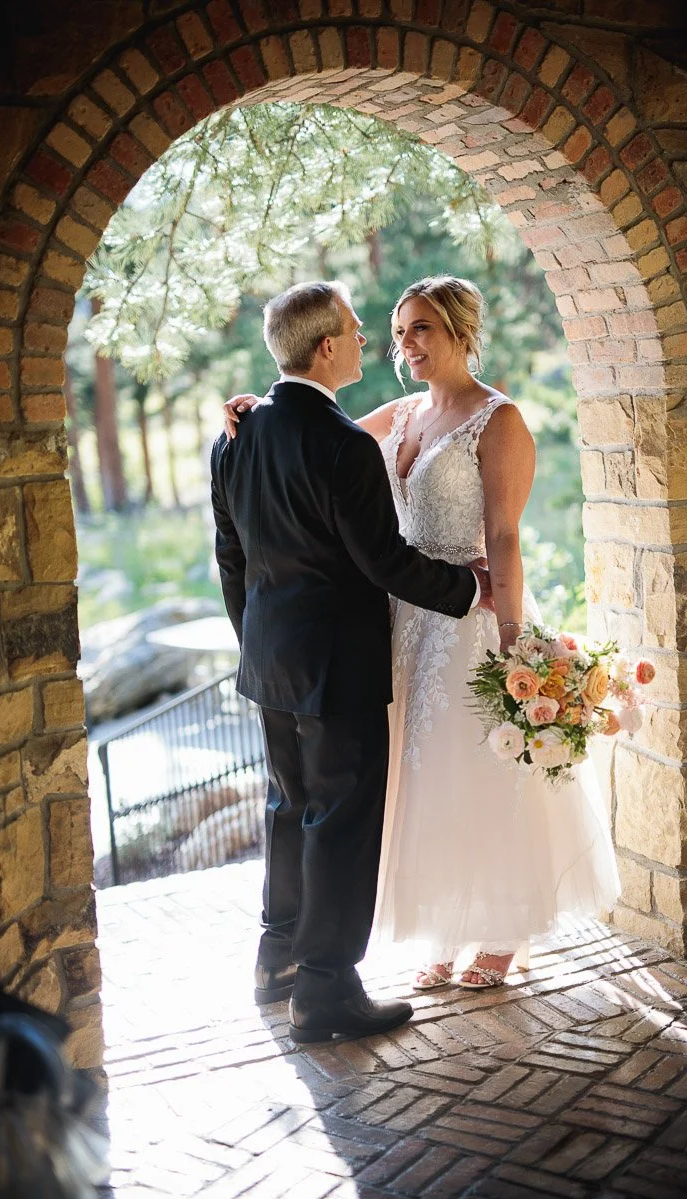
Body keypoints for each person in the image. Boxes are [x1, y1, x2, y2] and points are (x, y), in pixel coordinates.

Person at [224, 275, 620, 994]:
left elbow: (502, 534)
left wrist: (510, 634)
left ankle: (499, 930)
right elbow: (309, 427)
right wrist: (256, 406)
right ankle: (445, 924)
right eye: (397, 329)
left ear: (461, 331)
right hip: (398, 621)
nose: (402, 345)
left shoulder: (498, 421)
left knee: (477, 775)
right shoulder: (402, 413)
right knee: (416, 781)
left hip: (467, 618)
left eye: (420, 330)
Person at [210, 280, 492, 1044]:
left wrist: (259, 640)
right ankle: (328, 991)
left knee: (289, 807)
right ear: (327, 346)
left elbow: (230, 556)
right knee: (338, 820)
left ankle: (277, 963)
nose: (372, 340)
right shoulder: (343, 444)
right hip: (339, 664)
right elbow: (384, 563)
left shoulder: (237, 434)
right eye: (361, 331)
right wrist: (470, 588)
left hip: (271, 661)